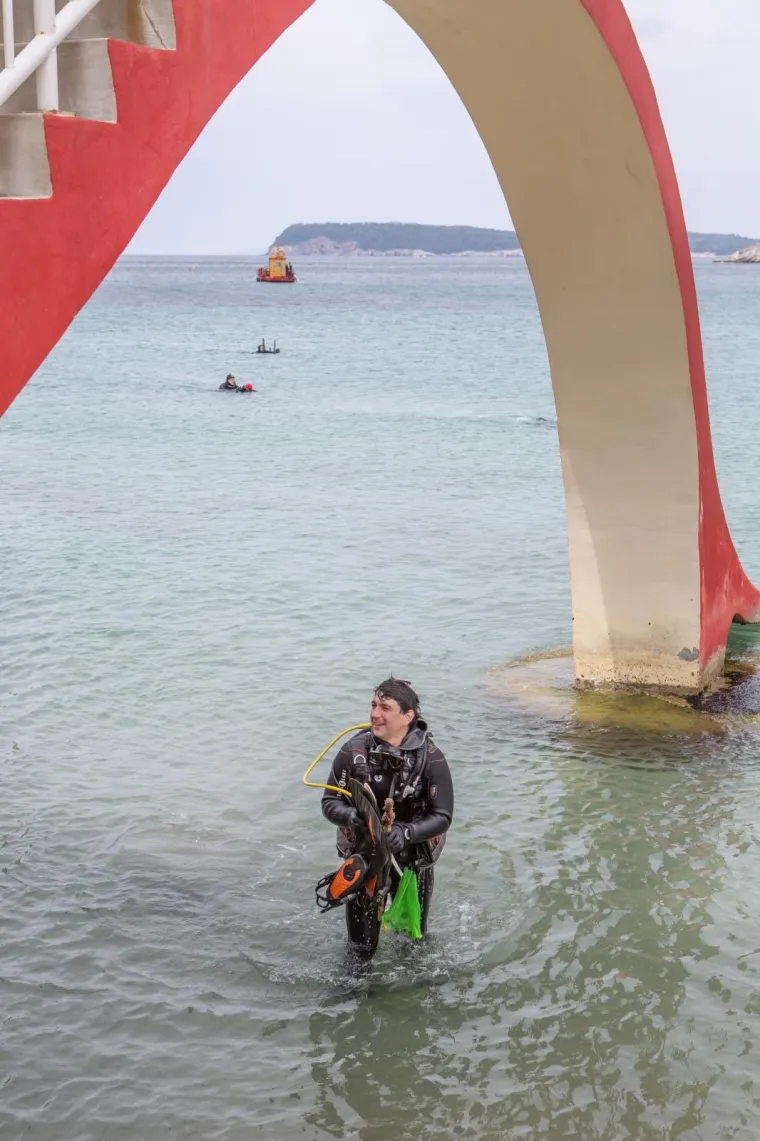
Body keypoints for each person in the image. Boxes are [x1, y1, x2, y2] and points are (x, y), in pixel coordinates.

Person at [321, 677, 454, 955]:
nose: (374, 713)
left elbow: (442, 816)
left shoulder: (431, 758)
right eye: (373, 705)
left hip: (412, 863)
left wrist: (405, 833)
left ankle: (416, 990)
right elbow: (329, 802)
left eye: (384, 707)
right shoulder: (352, 751)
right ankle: (357, 991)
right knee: (359, 950)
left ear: (408, 716)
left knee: (413, 942)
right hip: (364, 858)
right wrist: (351, 817)